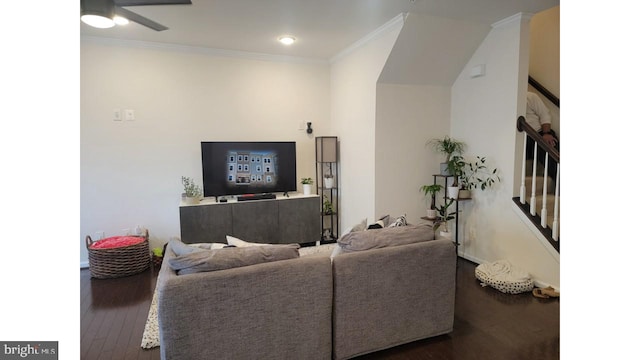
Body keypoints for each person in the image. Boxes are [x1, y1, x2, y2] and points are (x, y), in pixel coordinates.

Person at [525, 91, 559, 182]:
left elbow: (544, 114)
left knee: (553, 153)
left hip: (539, 134)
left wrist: (546, 133)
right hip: (523, 139)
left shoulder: (530, 96)